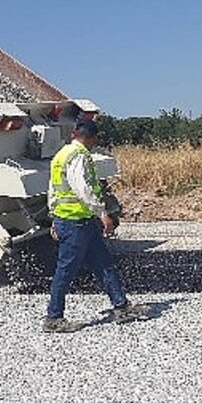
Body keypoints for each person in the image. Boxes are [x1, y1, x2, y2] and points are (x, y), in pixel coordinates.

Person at [42, 118, 136, 332]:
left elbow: (53, 190)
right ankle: (53, 318)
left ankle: (121, 306)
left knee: (103, 263)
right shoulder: (79, 157)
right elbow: (83, 189)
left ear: (74, 133)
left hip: (76, 221)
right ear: (92, 138)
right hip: (75, 223)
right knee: (65, 270)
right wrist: (103, 214)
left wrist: (53, 218)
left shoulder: (60, 155)